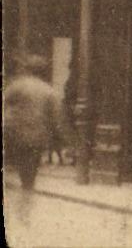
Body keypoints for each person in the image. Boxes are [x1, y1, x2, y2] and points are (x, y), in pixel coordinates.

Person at [3, 54, 67, 221]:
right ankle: (24, 213)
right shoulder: (49, 91)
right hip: (34, 139)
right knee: (28, 178)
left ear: (28, 69)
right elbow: (57, 119)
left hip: (11, 135)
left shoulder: (17, 86)